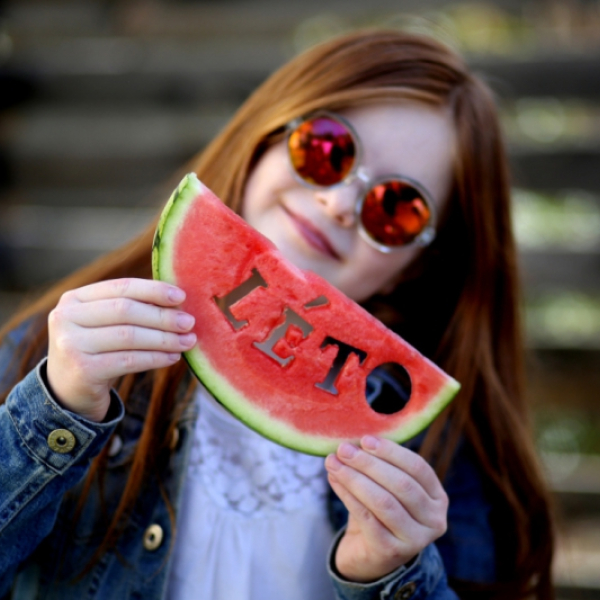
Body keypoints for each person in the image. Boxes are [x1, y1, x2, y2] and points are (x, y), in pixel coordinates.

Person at [0, 29, 555, 599]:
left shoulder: (445, 448)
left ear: (417, 264)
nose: (337, 204)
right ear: (266, 137)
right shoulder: (65, 357)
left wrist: (390, 576)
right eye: (326, 148)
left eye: (396, 209)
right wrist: (54, 416)